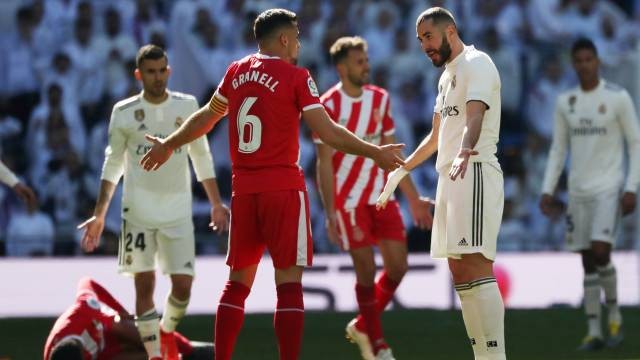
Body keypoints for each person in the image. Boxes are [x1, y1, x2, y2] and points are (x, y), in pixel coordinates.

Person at [139, 8, 405, 360]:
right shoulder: (296, 76)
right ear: (283, 39)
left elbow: (206, 116)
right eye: (295, 35)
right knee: (290, 287)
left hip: (244, 190)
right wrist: (374, 152)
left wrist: (169, 145)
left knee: (236, 286)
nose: (298, 42)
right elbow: (326, 132)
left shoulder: (235, 72)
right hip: (283, 188)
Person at [78, 44, 229, 360]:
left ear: (169, 71)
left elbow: (201, 156)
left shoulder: (187, 107)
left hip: (177, 213)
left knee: (183, 288)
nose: (158, 77)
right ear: (138, 74)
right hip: (138, 214)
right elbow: (113, 164)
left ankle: (165, 334)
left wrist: (216, 202)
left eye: (162, 70)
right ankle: (156, 355)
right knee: (144, 287)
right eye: (151, 71)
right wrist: (99, 215)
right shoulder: (124, 112)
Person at [377, 7, 506, 360]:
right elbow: (436, 136)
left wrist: (466, 150)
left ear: (450, 31)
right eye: (420, 40)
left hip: (474, 169)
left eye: (428, 37)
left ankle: (496, 355)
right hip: (449, 176)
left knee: (477, 263)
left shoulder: (476, 63)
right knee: (459, 270)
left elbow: (475, 115)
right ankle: (482, 355)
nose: (424, 46)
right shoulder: (446, 75)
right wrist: (402, 170)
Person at [314, 36, 433, 360]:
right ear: (341, 68)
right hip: (348, 202)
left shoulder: (379, 99)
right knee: (365, 273)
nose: (367, 66)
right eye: (359, 62)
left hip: (382, 195)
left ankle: (364, 324)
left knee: (398, 266)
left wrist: (413, 199)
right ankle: (377, 344)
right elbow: (323, 163)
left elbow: (392, 153)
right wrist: (329, 214)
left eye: (366, 60)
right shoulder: (327, 107)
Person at [539, 38, 640, 351]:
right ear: (574, 64)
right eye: (579, 60)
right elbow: (558, 149)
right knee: (586, 260)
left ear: (598, 62)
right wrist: (547, 189)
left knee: (600, 251)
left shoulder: (617, 97)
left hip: (609, 187)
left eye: (589, 59)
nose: (584, 65)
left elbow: (635, 143)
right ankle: (595, 330)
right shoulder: (565, 101)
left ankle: (614, 317)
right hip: (578, 191)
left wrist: (631, 187)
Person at [44, 277, 214, 360]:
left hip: (112, 335)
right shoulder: (53, 356)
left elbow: (86, 282)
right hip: (106, 355)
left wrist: (117, 310)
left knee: (123, 325)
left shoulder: (83, 312)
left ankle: (189, 350)